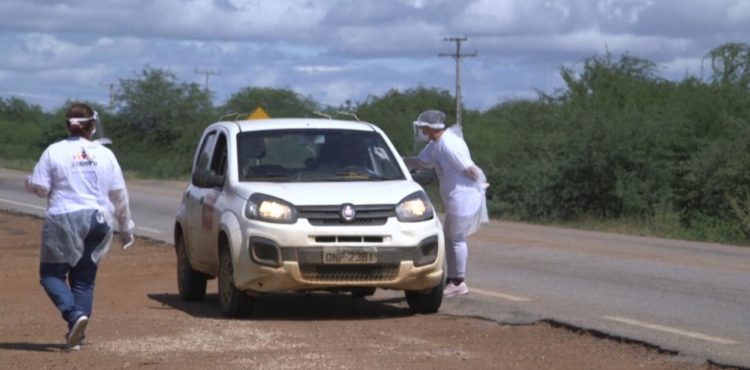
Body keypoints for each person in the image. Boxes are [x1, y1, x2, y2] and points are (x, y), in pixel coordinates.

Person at [25, 102, 135, 351]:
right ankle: (77, 336)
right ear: (92, 126)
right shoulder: (106, 155)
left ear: (68, 125)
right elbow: (119, 195)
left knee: (51, 275)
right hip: (99, 221)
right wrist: (126, 227)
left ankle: (74, 316)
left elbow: (41, 188)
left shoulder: (54, 151)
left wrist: (30, 183)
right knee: (83, 281)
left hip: (64, 219)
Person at [405, 110, 489, 298]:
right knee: (449, 238)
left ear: (429, 128)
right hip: (454, 198)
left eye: (422, 128)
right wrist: (399, 161)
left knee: (457, 238)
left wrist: (480, 184)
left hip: (464, 197)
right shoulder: (436, 144)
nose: (421, 131)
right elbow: (421, 162)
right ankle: (452, 279)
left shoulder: (449, 145)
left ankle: (459, 281)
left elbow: (469, 168)